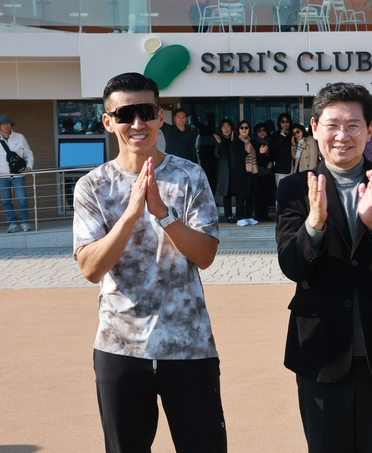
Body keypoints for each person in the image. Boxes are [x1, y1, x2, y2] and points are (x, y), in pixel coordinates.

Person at [72, 72, 226, 452]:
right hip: (120, 347)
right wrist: (130, 214)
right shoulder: (93, 186)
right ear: (108, 122)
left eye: (146, 112)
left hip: (188, 345)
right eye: (125, 115)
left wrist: (163, 214)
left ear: (160, 117)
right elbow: (90, 268)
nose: (137, 123)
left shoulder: (190, 176)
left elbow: (205, 255)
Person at [275, 82, 372, 453]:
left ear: (369, 130)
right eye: (332, 125)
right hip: (320, 351)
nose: (342, 136)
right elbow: (291, 266)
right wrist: (313, 224)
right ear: (315, 128)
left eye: (353, 126)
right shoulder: (295, 188)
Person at [0, 115, 34, 233]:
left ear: (11, 125)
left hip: (18, 175)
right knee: (6, 201)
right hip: (2, 176)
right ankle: (13, 224)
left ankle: (24, 223)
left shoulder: (20, 137)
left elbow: (29, 154)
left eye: (8, 124)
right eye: (3, 124)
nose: (6, 126)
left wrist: (29, 166)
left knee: (22, 199)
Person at [232, 120, 258, 226]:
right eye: (242, 128)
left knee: (250, 195)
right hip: (241, 172)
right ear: (238, 130)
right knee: (241, 196)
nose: (244, 130)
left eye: (246, 128)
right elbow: (237, 157)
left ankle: (249, 216)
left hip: (251, 172)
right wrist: (246, 152)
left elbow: (256, 156)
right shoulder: (236, 142)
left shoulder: (251, 141)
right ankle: (240, 218)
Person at [214, 118, 236, 223]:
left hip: (236, 170)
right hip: (225, 170)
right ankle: (229, 215)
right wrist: (219, 144)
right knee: (227, 194)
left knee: (239, 193)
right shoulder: (220, 140)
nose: (226, 129)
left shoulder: (237, 139)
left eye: (228, 126)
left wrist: (233, 142)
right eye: (223, 127)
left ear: (232, 128)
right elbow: (217, 154)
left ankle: (241, 215)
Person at [253, 122, 275, 221]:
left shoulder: (269, 142)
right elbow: (254, 157)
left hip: (268, 172)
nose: (262, 132)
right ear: (255, 132)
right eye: (259, 131)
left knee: (267, 195)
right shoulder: (254, 143)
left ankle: (265, 215)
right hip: (258, 172)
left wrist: (271, 162)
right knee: (259, 195)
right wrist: (265, 163)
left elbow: (272, 155)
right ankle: (258, 215)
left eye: (264, 130)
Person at [271, 113, 294, 186]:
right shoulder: (275, 134)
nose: (285, 124)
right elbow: (273, 148)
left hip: (292, 166)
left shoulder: (293, 134)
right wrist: (282, 135)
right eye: (283, 121)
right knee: (281, 189)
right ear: (279, 123)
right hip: (280, 168)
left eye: (287, 121)